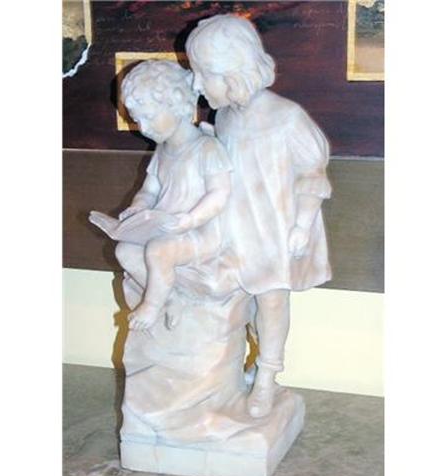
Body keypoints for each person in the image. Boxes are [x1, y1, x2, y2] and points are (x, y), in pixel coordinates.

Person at [186, 14, 332, 418]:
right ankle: (240, 363)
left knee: (270, 302)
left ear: (231, 72)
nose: (196, 84)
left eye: (202, 74)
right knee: (243, 302)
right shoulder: (225, 118)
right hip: (234, 227)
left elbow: (313, 172)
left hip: (274, 229)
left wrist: (301, 225)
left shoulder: (286, 118)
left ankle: (267, 375)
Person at [115, 59, 233, 332]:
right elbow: (150, 189)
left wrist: (189, 220)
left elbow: (220, 193)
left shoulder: (207, 148)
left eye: (149, 116)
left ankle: (152, 306)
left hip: (201, 233)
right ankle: (169, 299)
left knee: (158, 251)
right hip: (165, 228)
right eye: (137, 120)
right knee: (125, 251)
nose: (143, 127)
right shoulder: (162, 151)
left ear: (177, 103)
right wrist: (137, 208)